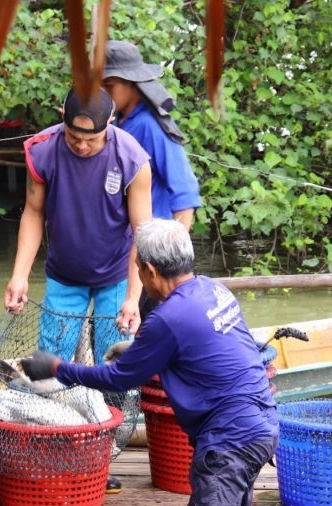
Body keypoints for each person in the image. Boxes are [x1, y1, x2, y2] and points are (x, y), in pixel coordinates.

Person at [20, 218, 278, 506]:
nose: (137, 277)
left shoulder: (170, 317)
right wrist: (144, 350)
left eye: (138, 269)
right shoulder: (214, 291)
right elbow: (204, 354)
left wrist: (58, 367)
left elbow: (119, 377)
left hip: (229, 441)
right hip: (260, 425)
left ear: (152, 271)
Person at [4, 86, 152, 365]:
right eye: (74, 137)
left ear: (110, 123)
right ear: (62, 118)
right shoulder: (43, 150)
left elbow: (142, 235)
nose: (82, 145)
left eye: (91, 139)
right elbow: (34, 213)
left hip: (116, 274)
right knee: (48, 363)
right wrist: (19, 276)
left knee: (114, 363)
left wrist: (133, 298)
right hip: (64, 274)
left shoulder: (132, 159)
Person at [102, 40, 201, 320]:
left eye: (109, 86)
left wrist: (170, 262)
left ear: (131, 84)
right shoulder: (121, 123)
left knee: (144, 329)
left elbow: (185, 194)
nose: (103, 93)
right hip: (128, 254)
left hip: (153, 259)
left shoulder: (150, 125)